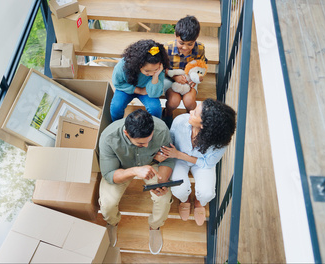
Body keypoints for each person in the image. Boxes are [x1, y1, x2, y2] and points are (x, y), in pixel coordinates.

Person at [98, 109, 175, 255]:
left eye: (149, 140)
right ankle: (112, 222)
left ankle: (155, 226)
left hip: (152, 164)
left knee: (164, 199)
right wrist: (134, 171)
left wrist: (162, 181)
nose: (146, 146)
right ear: (127, 134)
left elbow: (169, 158)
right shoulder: (108, 137)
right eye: (140, 143)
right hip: (122, 168)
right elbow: (109, 175)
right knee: (107, 204)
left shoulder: (161, 129)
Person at [160, 99, 236, 226]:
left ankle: (199, 202)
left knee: (207, 193)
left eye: (195, 113)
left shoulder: (219, 143)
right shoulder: (180, 121)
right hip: (178, 159)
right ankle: (185, 199)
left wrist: (179, 154)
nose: (190, 112)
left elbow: (207, 164)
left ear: (204, 126)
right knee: (179, 190)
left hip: (201, 163)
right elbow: (170, 141)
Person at [162, 15, 207, 127]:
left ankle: (191, 117)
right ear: (176, 36)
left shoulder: (200, 48)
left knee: (190, 102)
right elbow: (162, 68)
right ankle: (167, 114)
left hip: (190, 78)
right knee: (173, 101)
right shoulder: (167, 48)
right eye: (181, 43)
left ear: (195, 39)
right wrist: (174, 77)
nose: (185, 48)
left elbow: (201, 66)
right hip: (170, 78)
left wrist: (197, 77)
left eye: (190, 44)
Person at [110, 39, 170, 122]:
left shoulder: (159, 69)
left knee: (155, 109)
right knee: (116, 107)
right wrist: (139, 90)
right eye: (147, 71)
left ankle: (153, 127)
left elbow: (154, 93)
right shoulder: (122, 66)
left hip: (147, 91)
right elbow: (118, 83)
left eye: (155, 70)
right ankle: (115, 125)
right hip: (126, 88)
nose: (151, 73)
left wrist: (156, 76)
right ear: (139, 65)